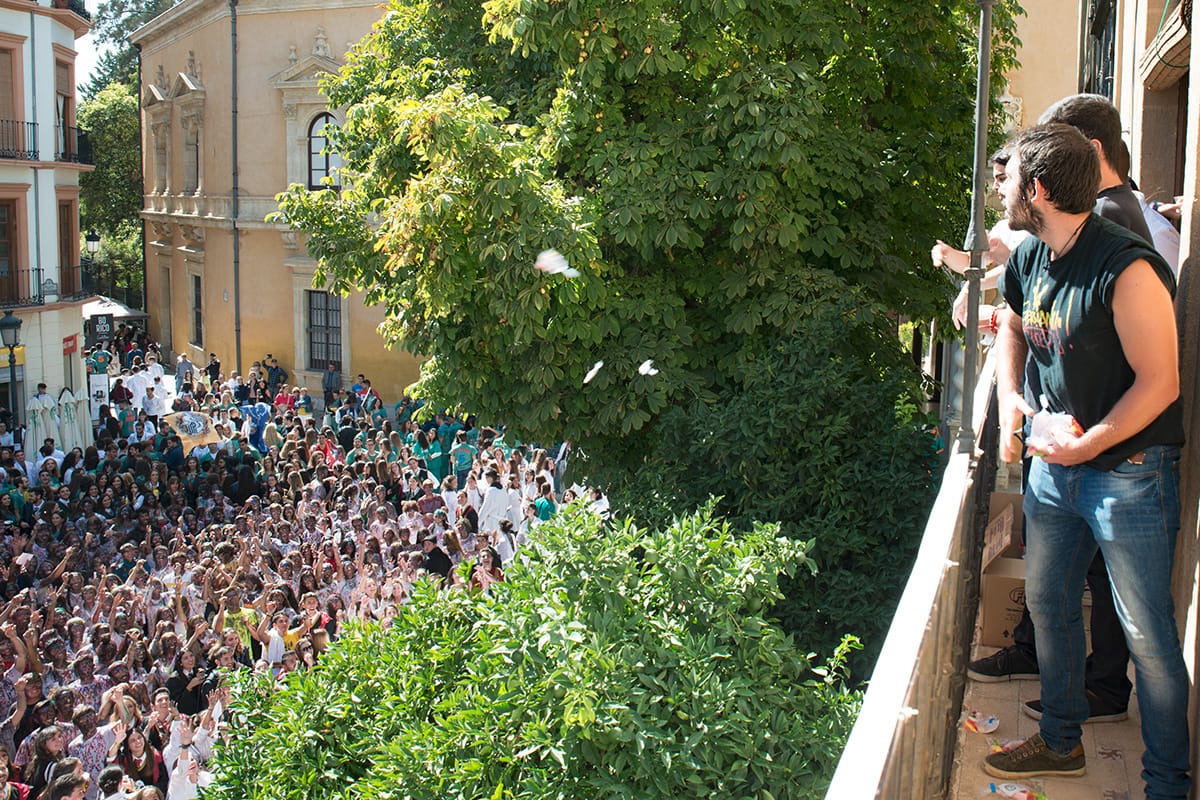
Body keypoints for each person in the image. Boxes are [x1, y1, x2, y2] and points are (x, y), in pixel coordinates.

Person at [980, 123, 1188, 798]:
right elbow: (1013, 321)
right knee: (1048, 603)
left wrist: (1088, 445)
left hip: (1128, 474)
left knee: (1147, 637)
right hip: (1054, 468)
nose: (1001, 190)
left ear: (1036, 190)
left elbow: (1162, 383)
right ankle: (1062, 742)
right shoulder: (1033, 254)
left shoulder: (1125, 267)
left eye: (1008, 180)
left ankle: (1166, 783)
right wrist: (1012, 398)